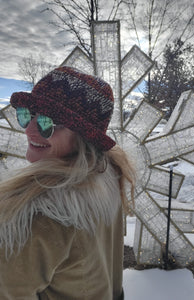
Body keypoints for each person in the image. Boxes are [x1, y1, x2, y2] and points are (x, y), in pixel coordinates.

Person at [0, 66, 136, 300]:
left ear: (83, 138)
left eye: (47, 122)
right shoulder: (107, 176)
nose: (30, 130)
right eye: (26, 115)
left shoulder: (40, 219)